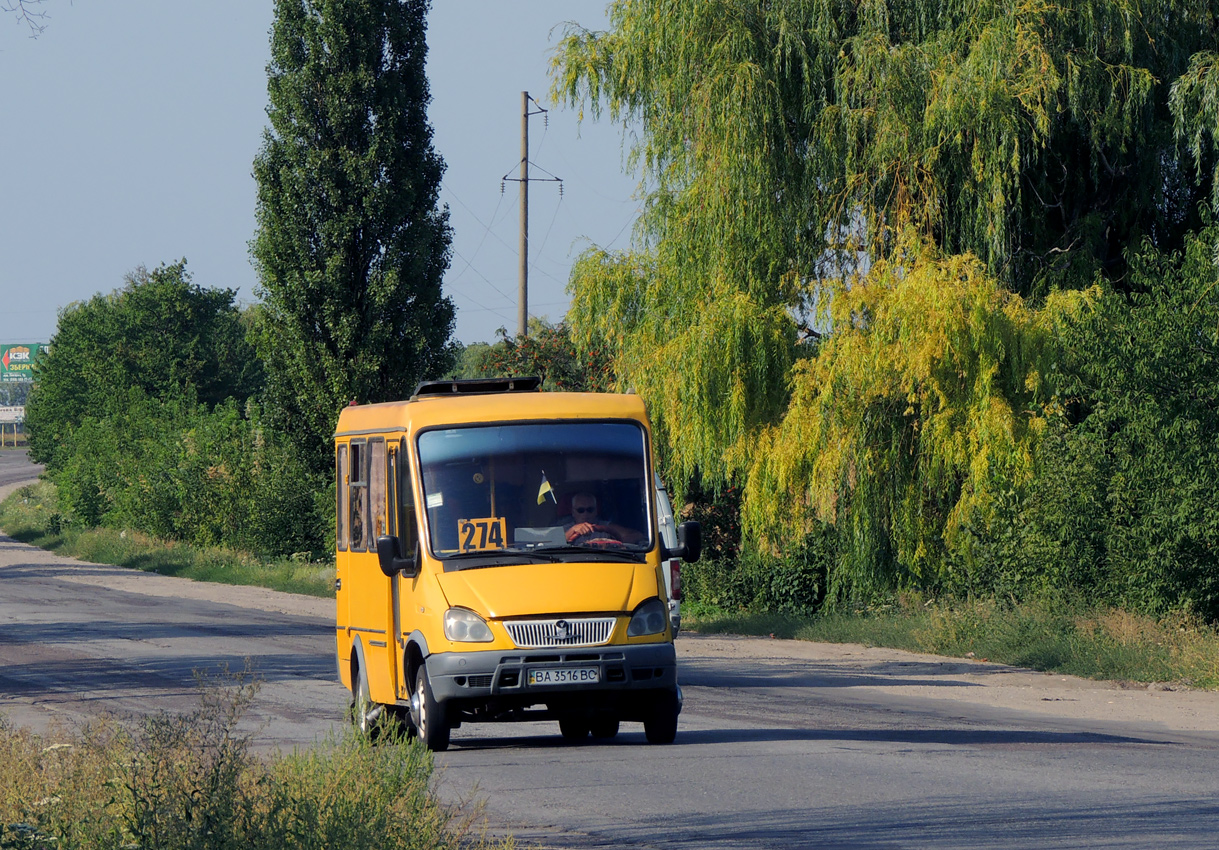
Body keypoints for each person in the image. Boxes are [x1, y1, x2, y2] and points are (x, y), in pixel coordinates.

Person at [563, 491, 645, 545]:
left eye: (590, 510)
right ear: (573, 512)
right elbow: (552, 545)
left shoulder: (606, 527)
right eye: (580, 510)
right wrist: (572, 531)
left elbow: (637, 535)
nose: (586, 513)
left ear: (596, 511)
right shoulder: (565, 529)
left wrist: (615, 543)